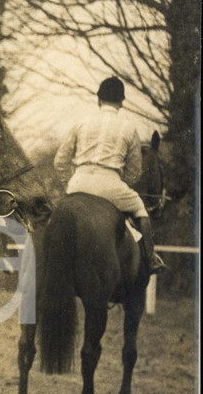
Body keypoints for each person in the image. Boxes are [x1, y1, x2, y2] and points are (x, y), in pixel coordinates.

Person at [54, 76, 165, 273]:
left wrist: (69, 184)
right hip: (111, 184)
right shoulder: (129, 128)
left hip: (78, 182)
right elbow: (134, 171)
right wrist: (122, 183)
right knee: (140, 209)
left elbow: (60, 161)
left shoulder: (82, 123)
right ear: (121, 102)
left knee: (56, 217)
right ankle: (151, 259)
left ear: (99, 99)